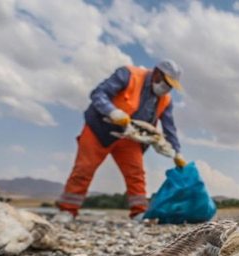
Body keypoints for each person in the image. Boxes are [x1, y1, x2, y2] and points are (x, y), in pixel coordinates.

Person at [54, 60, 187, 222]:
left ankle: (139, 212)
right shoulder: (129, 75)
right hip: (100, 129)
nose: (167, 88)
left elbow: (169, 127)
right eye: (166, 83)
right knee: (84, 168)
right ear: (157, 74)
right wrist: (113, 112)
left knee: (136, 174)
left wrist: (177, 153)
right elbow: (98, 94)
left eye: (171, 86)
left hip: (131, 136)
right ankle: (67, 210)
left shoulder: (165, 100)